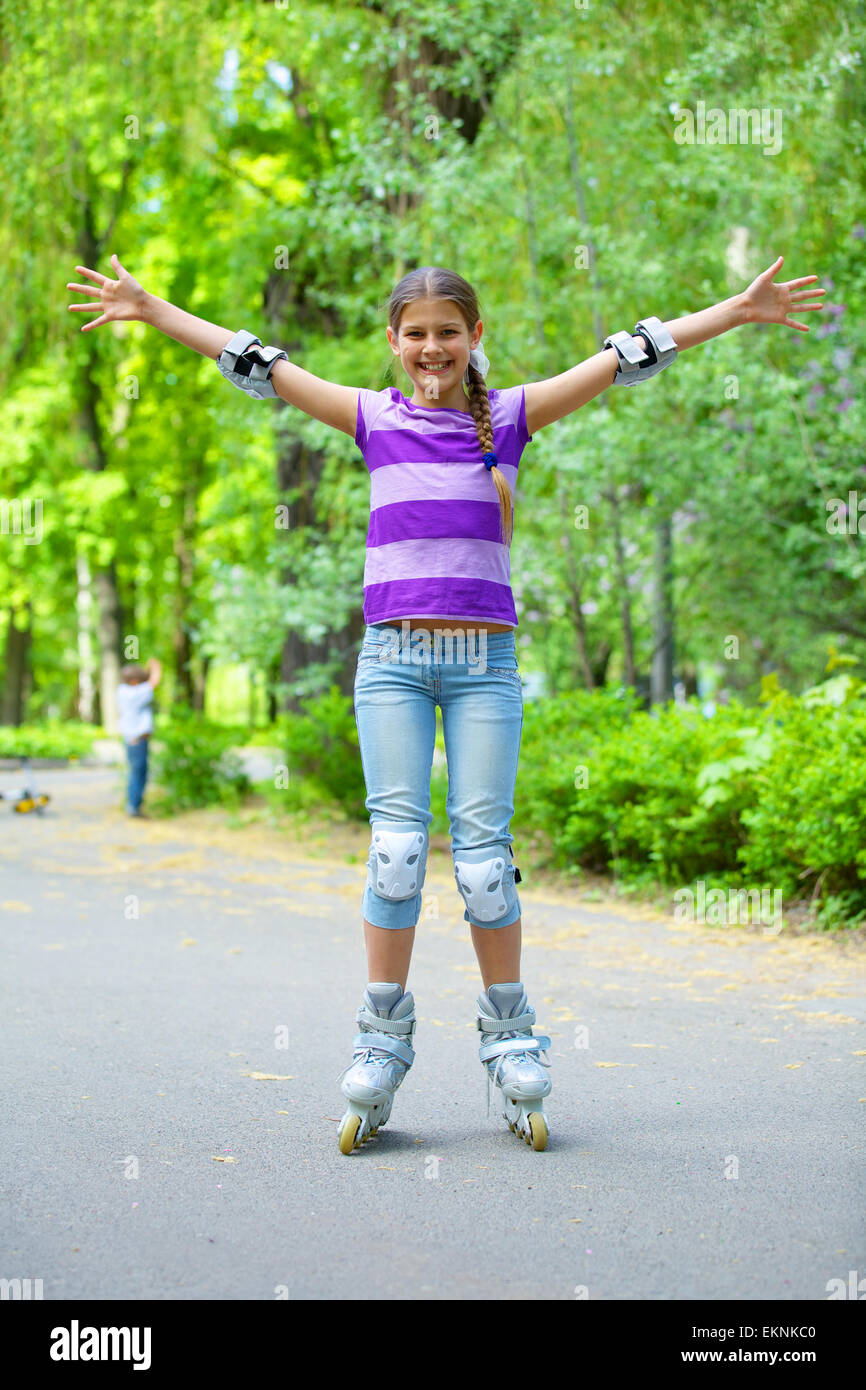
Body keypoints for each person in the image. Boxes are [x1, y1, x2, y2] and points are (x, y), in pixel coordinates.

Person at [68, 252, 825, 1150]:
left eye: (449, 333)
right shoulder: (369, 416)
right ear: (393, 342)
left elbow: (624, 356)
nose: (433, 348)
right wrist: (152, 308)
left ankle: (510, 1038)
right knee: (394, 853)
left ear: (475, 340)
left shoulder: (506, 417)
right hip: (392, 659)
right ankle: (381, 1038)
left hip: (483, 664)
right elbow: (259, 363)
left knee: (482, 863)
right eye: (416, 334)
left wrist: (732, 314)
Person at [116, 658, 162, 817]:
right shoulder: (134, 694)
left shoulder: (122, 690)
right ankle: (134, 807)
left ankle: (134, 805)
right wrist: (155, 665)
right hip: (137, 739)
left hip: (132, 739)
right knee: (138, 773)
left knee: (136, 772)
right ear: (135, 681)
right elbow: (153, 681)